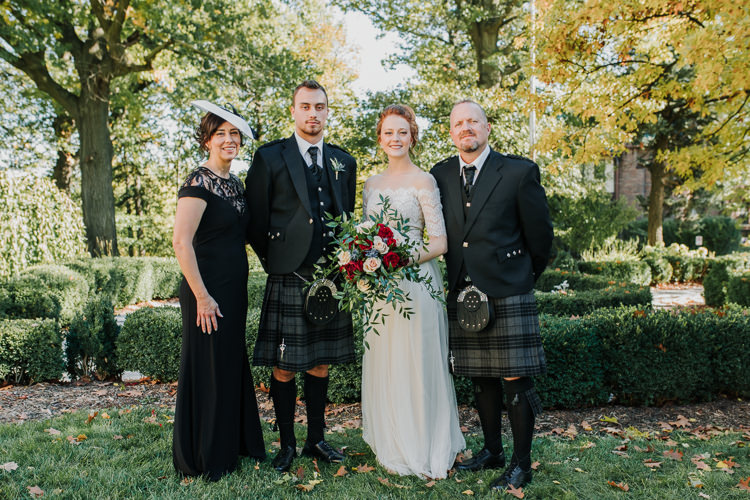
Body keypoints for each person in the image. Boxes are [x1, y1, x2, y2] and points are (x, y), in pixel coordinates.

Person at [430, 100, 553, 491]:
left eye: (473, 122)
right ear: (451, 133)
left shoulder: (518, 171)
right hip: (463, 291)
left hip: (508, 288)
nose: (466, 128)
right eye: (458, 124)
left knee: (516, 379)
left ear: (487, 129)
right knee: (480, 377)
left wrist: (521, 277)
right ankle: (493, 451)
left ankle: (521, 464)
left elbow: (541, 237)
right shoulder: (441, 174)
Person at [245, 80, 357, 472]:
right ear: (293, 110)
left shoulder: (344, 160)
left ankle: (317, 440)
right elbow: (254, 220)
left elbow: (345, 216)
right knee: (284, 364)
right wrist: (275, 261)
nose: (313, 114)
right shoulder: (270, 157)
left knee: (321, 361)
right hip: (289, 273)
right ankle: (288, 444)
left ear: (328, 111)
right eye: (305, 106)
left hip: (331, 277)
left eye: (320, 107)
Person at [360, 104, 466, 479]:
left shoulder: (424, 182)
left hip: (416, 284)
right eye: (388, 132)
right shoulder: (371, 184)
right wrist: (367, 261)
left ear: (412, 137)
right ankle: (392, 439)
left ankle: (424, 443)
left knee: (419, 361)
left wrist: (398, 258)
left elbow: (439, 243)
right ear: (380, 138)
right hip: (379, 288)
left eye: (402, 132)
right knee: (387, 359)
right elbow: (365, 237)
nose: (395, 139)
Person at [172, 101, 266, 481]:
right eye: (220, 133)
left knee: (227, 363)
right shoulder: (198, 182)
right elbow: (181, 243)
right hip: (205, 290)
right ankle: (206, 455)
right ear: (207, 139)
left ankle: (232, 443)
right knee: (208, 366)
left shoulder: (234, 184)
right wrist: (202, 296)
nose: (228, 139)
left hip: (233, 289)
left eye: (234, 133)